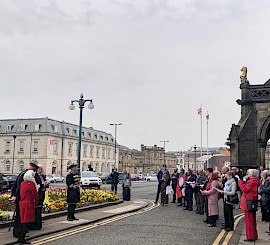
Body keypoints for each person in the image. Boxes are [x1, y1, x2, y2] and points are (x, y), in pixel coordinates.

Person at [10, 162, 39, 238]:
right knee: (20, 217)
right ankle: (18, 233)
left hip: (20, 198)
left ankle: (19, 232)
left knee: (20, 217)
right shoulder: (25, 176)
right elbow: (19, 187)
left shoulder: (22, 173)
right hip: (22, 199)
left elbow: (15, 186)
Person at [237, 169, 260, 242]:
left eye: (248, 173)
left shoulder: (252, 181)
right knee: (252, 220)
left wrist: (239, 181)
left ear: (252, 174)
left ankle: (250, 237)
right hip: (251, 201)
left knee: (249, 221)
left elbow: (245, 189)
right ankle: (253, 235)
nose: (247, 174)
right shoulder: (255, 181)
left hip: (248, 202)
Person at [18, 170, 39, 244]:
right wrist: (36, 203)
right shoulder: (32, 184)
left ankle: (20, 236)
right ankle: (22, 239)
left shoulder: (22, 183)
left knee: (22, 220)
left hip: (22, 203)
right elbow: (35, 195)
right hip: (28, 204)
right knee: (26, 222)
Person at [30, 164, 48, 230]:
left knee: (39, 208)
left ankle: (39, 221)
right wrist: (43, 185)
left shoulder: (43, 176)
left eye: (41, 169)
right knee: (37, 209)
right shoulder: (35, 176)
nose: (40, 170)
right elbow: (37, 185)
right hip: (38, 194)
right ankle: (36, 223)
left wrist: (46, 185)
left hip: (42, 194)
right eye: (39, 169)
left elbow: (44, 183)